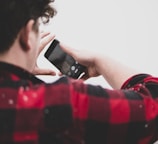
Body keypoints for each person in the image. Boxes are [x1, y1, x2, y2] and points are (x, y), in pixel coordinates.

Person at [0, 0, 157, 144]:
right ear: (27, 35)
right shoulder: (60, 102)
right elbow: (153, 110)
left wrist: (20, 73)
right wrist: (99, 61)